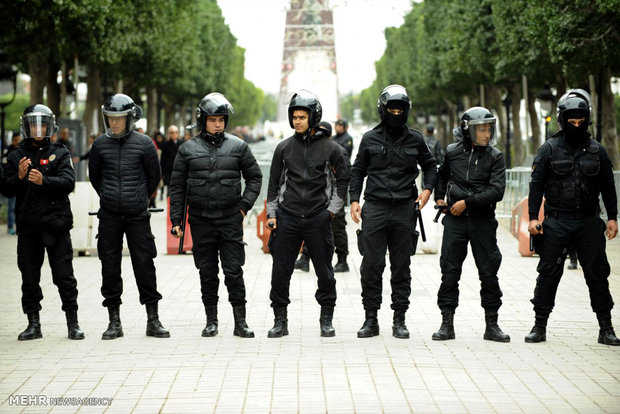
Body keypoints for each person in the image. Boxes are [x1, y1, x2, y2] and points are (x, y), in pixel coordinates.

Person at [526, 89, 618, 346]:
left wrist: (613, 217)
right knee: (548, 273)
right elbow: (536, 185)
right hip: (557, 221)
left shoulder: (597, 151)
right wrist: (533, 218)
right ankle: (539, 326)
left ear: (587, 120)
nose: (576, 125)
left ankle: (606, 328)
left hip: (589, 222)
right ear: (562, 120)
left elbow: (608, 186)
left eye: (581, 121)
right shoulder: (549, 149)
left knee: (597, 275)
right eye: (571, 121)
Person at [169, 92, 262, 338]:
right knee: (207, 271)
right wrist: (176, 221)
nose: (218, 124)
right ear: (203, 121)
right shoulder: (187, 149)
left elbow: (255, 177)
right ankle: (211, 321)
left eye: (221, 119)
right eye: (213, 120)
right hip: (200, 220)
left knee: (234, 271)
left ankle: (240, 322)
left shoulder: (239, 146)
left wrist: (244, 206)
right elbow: (177, 187)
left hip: (231, 218)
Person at [350, 84, 437, 339]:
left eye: (401, 110)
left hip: (404, 209)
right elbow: (357, 171)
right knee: (371, 266)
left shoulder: (416, 139)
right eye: (392, 109)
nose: (396, 114)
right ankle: (371, 319)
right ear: (383, 110)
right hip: (374, 208)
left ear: (407, 110)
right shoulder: (369, 139)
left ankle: (400, 319)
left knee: (401, 267)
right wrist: (354, 200)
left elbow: (430, 166)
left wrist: (428, 190)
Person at [266, 90, 349, 338]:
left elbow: (343, 180)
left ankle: (326, 319)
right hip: (287, 217)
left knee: (324, 272)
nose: (297, 121)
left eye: (302, 117)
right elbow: (273, 183)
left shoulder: (331, 148)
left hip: (318, 218)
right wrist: (272, 214)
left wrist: (331, 212)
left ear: (313, 117)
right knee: (280, 271)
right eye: (294, 117)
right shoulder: (283, 148)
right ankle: (280, 321)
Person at [88, 93, 169, 340]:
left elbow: (154, 177)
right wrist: (110, 196)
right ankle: (114, 321)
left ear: (129, 118)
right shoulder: (100, 144)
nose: (114, 123)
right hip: (109, 215)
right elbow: (95, 177)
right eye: (110, 118)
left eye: (119, 118)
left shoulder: (144, 144)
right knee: (109, 267)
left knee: (145, 264)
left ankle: (153, 319)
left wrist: (139, 198)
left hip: (137, 215)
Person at [0, 105, 84, 340]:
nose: (38, 129)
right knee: (29, 277)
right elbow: (6, 189)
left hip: (56, 225)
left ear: (50, 126)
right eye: (33, 124)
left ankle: (73, 323)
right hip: (28, 227)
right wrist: (18, 177)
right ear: (25, 127)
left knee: (64, 276)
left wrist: (43, 181)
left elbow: (69, 183)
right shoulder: (16, 155)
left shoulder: (60, 152)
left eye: (42, 124)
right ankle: (33, 324)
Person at [431, 106, 510, 343]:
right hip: (454, 221)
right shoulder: (452, 152)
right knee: (449, 272)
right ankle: (447, 324)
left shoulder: (495, 157)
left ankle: (492, 324)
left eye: (489, 129)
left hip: (482, 222)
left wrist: (467, 202)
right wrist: (439, 196)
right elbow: (441, 174)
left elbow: (497, 191)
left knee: (489, 272)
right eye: (481, 129)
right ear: (468, 130)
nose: (487, 134)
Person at [294, 120, 352, 273]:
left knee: (338, 228)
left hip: (335, 196)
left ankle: (342, 260)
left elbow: (345, 175)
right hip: (317, 196)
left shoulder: (338, 150)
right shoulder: (311, 149)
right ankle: (305, 259)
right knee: (310, 226)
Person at [4, 132, 22, 234]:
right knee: (11, 207)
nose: (18, 142)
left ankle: (17, 226)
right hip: (12, 182)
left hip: (20, 183)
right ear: (12, 140)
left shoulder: (22, 151)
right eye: (16, 140)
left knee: (18, 207)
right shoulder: (8, 151)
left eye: (19, 140)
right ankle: (10, 226)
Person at [160, 126, 181, 199]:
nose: (174, 134)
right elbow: (162, 161)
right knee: (170, 192)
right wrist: (162, 175)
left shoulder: (182, 144)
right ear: (169, 134)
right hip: (169, 173)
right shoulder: (165, 145)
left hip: (180, 173)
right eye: (172, 132)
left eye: (176, 132)